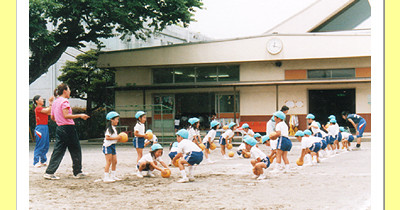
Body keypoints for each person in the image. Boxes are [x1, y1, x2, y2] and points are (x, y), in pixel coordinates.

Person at [44, 83, 90, 180]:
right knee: (75, 149)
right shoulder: (65, 101)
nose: (70, 92)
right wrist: (80, 115)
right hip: (68, 128)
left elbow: (52, 117)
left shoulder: (56, 102)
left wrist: (60, 121)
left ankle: (49, 172)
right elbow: (66, 115)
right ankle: (77, 172)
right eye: (69, 90)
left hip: (60, 128)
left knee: (58, 150)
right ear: (65, 91)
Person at [32, 95, 54, 168]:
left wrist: (51, 104)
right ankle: (36, 161)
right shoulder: (38, 108)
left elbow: (49, 112)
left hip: (45, 127)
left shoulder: (42, 108)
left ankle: (43, 160)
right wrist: (50, 102)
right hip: (40, 128)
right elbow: (48, 110)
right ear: (37, 101)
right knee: (40, 144)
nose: (42, 100)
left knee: (45, 144)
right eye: (41, 99)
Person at [102, 111, 122, 183]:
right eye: (116, 119)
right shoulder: (109, 129)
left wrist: (119, 139)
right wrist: (117, 137)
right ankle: (106, 177)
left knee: (115, 161)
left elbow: (114, 138)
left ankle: (113, 175)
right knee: (109, 161)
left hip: (112, 146)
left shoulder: (114, 128)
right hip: (108, 146)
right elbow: (107, 138)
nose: (117, 121)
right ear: (111, 120)